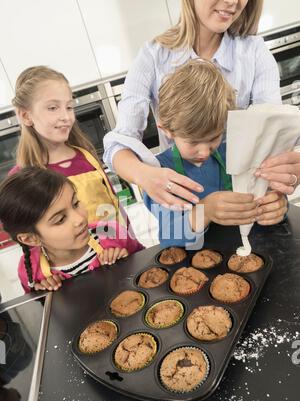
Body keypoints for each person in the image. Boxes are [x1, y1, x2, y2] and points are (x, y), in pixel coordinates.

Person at [103, 0, 300, 206]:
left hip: (249, 201)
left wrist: (286, 178)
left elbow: (273, 138)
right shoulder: (153, 57)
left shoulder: (254, 52)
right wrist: (144, 174)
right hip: (187, 206)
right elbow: (118, 142)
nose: (233, 1)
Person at [143, 59, 287, 247]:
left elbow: (265, 194)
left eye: (213, 138)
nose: (204, 151)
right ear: (167, 130)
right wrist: (206, 210)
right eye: (193, 141)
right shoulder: (158, 173)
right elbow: (170, 237)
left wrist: (276, 206)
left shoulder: (234, 153)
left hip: (250, 250)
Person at [10, 66, 126, 226]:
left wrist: (115, 245)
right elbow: (32, 241)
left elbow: (108, 210)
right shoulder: (22, 179)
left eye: (69, 107)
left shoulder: (86, 157)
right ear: (26, 116)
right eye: (52, 108)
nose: (66, 116)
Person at [0, 168, 143, 293]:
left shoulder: (112, 232)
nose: (80, 218)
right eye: (60, 220)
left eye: (75, 204)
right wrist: (43, 293)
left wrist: (127, 261)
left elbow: (146, 260)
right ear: (31, 239)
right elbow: (40, 309)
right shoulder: (31, 270)